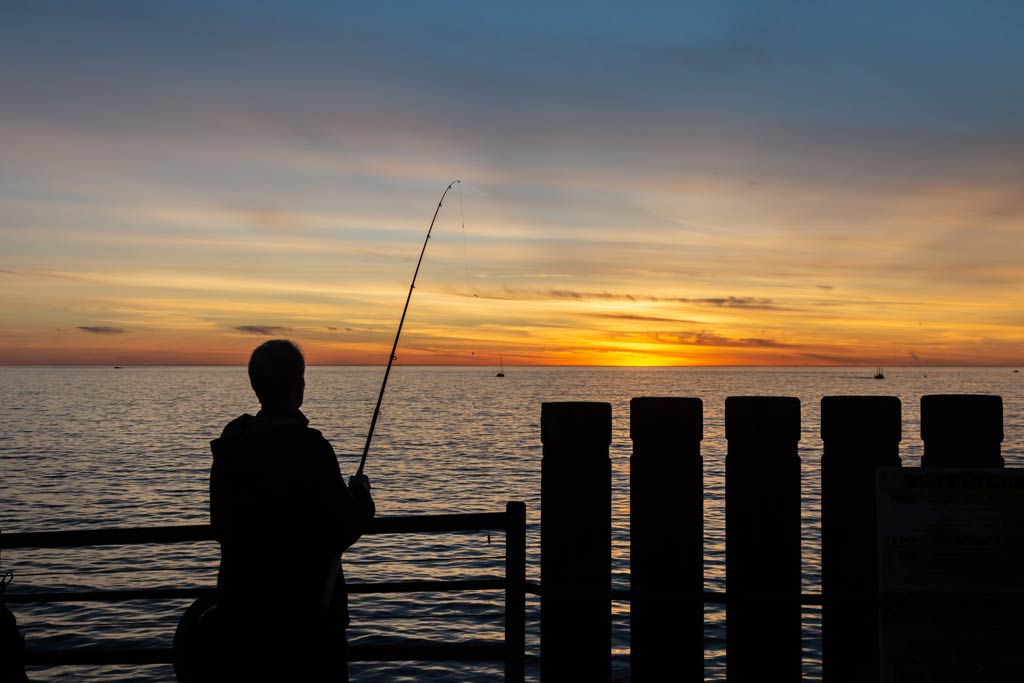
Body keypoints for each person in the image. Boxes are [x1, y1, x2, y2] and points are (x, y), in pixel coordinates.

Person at [208, 339, 374, 681]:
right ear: (299, 386)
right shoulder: (311, 448)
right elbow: (343, 527)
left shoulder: (232, 447)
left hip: (243, 612)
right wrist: (361, 497)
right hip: (307, 614)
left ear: (256, 386)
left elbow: (221, 524)